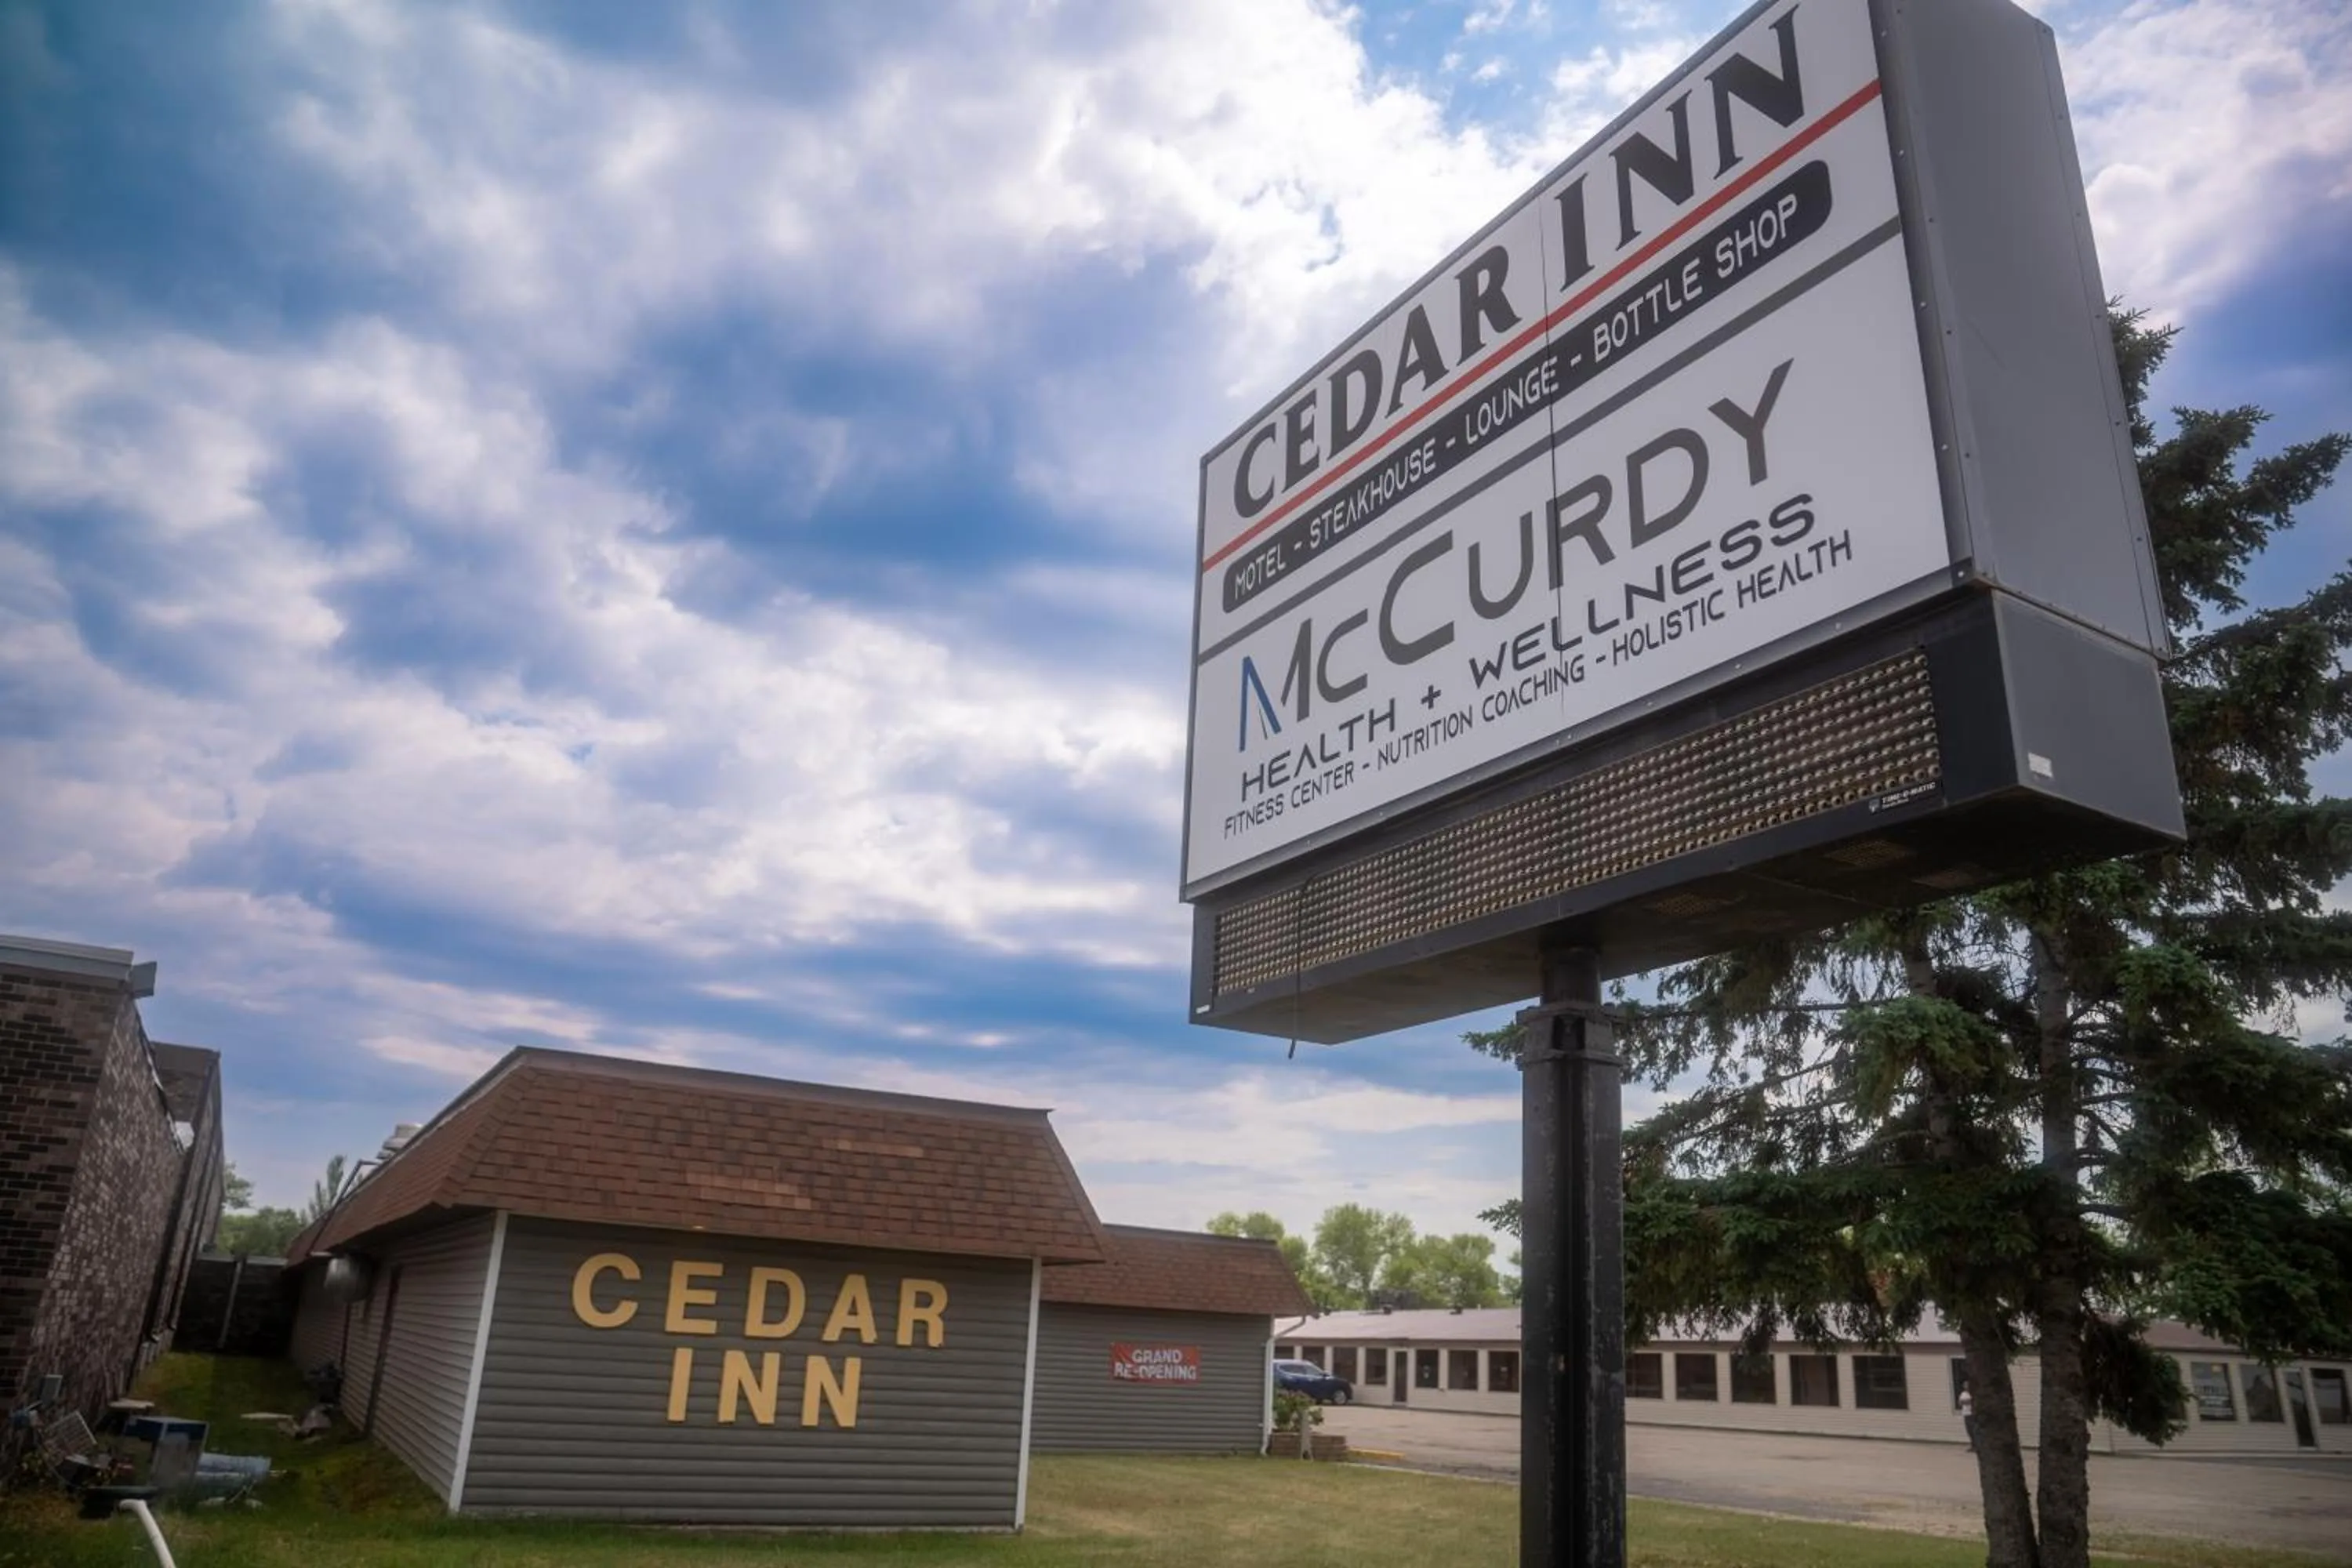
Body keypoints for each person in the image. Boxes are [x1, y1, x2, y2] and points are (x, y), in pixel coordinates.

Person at [1958, 1381, 1977, 1453]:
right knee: (1969, 1431)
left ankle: (1977, 1446)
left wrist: (1967, 1401)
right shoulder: (1963, 1394)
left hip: (1972, 1414)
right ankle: (1973, 1445)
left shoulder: (1973, 1393)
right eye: (1965, 1385)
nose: (1966, 1386)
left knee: (1974, 1430)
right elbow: (1960, 1403)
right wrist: (1968, 1401)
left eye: (1967, 1385)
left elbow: (1973, 1401)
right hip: (1966, 1414)